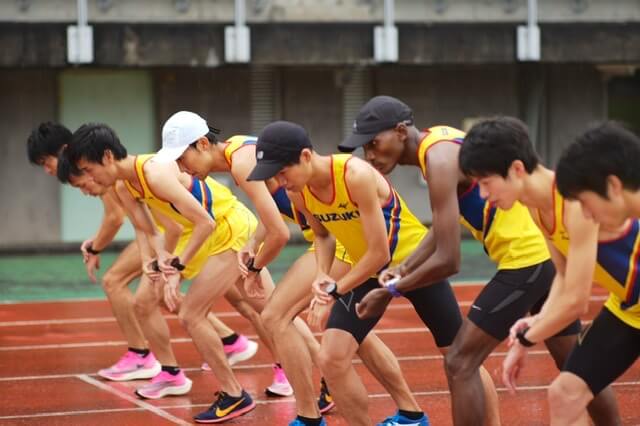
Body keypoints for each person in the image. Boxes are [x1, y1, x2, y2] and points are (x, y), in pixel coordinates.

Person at [339, 96, 608, 425]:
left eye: (373, 143)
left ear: (399, 131)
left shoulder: (437, 161)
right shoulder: (438, 139)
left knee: (460, 361)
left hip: (525, 260)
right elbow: (441, 228)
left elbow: (449, 260)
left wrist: (391, 289)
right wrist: (404, 268)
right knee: (575, 364)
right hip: (543, 254)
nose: (369, 155)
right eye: (363, 148)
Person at [166, 113, 426, 426]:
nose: (182, 167)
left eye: (182, 157)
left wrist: (254, 267)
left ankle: (309, 416)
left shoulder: (241, 162)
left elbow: (278, 232)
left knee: (275, 316)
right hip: (332, 236)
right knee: (351, 333)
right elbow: (272, 214)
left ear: (203, 144)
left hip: (337, 238)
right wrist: (251, 243)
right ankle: (407, 411)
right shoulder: (240, 151)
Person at [247, 120, 464, 426]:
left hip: (414, 264)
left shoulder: (355, 175)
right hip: (369, 273)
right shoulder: (299, 191)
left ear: (306, 156)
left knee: (458, 356)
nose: (280, 182)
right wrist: (323, 274)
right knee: (331, 358)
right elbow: (322, 236)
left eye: (282, 172)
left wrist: (334, 289)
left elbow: (380, 252)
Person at [65, 122, 284, 423]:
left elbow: (204, 220)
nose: (88, 179)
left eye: (88, 170)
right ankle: (192, 374)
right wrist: (152, 262)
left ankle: (240, 386)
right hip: (202, 233)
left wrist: (176, 267)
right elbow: (151, 230)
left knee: (241, 310)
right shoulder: (123, 186)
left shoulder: (154, 172)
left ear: (106, 157)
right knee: (159, 301)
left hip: (225, 226)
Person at [29, 123, 258, 384]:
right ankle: (229, 346)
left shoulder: (117, 173)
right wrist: (157, 259)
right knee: (202, 301)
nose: (47, 170)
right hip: (186, 228)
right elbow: (144, 225)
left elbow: (120, 218)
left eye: (45, 162)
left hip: (204, 226)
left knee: (126, 286)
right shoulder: (116, 176)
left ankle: (150, 359)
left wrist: (168, 263)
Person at [458, 117, 624, 425]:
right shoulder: (534, 207)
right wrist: (537, 319)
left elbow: (577, 300)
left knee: (569, 391)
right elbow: (561, 277)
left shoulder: (574, 201)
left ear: (517, 169)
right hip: (628, 307)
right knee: (566, 392)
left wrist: (527, 340)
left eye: (485, 182)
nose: (482, 195)